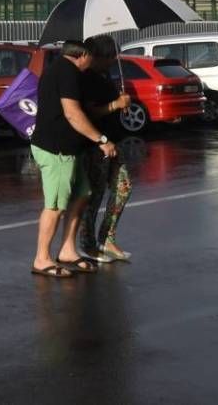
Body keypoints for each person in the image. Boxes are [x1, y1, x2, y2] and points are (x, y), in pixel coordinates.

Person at [30, 40, 118, 278]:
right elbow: (72, 113)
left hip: (70, 150)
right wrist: (101, 140)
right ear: (82, 56)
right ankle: (42, 258)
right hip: (56, 149)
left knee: (82, 195)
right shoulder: (65, 72)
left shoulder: (63, 70)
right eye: (90, 58)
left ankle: (68, 250)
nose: (92, 63)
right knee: (56, 206)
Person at [80, 34, 134, 263]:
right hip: (97, 144)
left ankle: (107, 237)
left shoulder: (106, 74)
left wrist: (121, 104)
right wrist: (114, 104)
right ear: (99, 56)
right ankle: (88, 242)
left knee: (123, 187)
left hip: (114, 139)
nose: (114, 59)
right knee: (95, 193)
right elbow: (90, 112)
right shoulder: (88, 79)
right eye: (111, 55)